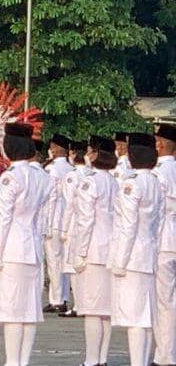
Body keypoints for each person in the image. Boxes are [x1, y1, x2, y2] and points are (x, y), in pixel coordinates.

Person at [0, 122, 51, 366]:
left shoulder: (10, 177)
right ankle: (22, 361)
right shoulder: (40, 176)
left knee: (12, 310)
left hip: (12, 248)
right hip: (32, 246)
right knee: (29, 310)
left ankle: (12, 361)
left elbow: (3, 220)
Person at [110, 132, 163, 366]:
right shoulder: (155, 181)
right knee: (146, 315)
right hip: (149, 252)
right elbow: (159, 221)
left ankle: (137, 362)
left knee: (134, 317)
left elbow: (128, 226)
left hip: (132, 256)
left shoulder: (131, 183)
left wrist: (120, 261)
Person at [70, 135, 118, 366]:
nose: (87, 154)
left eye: (90, 150)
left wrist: (80, 252)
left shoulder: (90, 182)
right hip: (110, 247)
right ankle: (102, 358)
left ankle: (91, 360)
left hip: (93, 248)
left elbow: (85, 220)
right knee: (106, 310)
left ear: (98, 154)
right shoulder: (114, 182)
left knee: (91, 309)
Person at [42, 133, 73, 314]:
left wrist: (47, 223)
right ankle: (64, 297)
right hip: (67, 219)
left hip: (54, 219)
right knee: (64, 260)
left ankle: (57, 299)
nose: (51, 150)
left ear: (57, 149)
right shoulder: (70, 168)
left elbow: (51, 198)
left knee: (54, 260)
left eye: (52, 147)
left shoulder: (52, 169)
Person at [154, 123, 176, 366]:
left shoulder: (158, 172)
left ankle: (165, 355)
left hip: (164, 239)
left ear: (160, 144)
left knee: (164, 301)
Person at [59, 139, 89, 318]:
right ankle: (84, 303)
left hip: (74, 223)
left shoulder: (72, 175)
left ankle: (78, 305)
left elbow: (69, 204)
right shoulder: (91, 173)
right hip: (87, 223)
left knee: (72, 267)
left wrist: (63, 228)